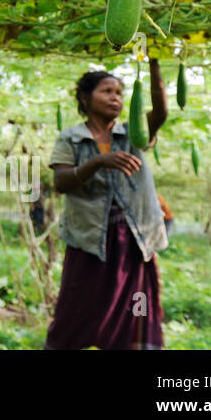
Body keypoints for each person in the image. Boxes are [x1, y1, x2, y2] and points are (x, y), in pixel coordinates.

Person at [45, 59, 169, 350]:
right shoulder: (71, 138)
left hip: (134, 239)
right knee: (77, 308)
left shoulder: (133, 134)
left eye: (120, 92)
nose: (116, 97)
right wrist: (99, 162)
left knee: (135, 310)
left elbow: (161, 112)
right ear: (85, 98)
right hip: (89, 238)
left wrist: (153, 63)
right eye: (107, 91)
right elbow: (61, 183)